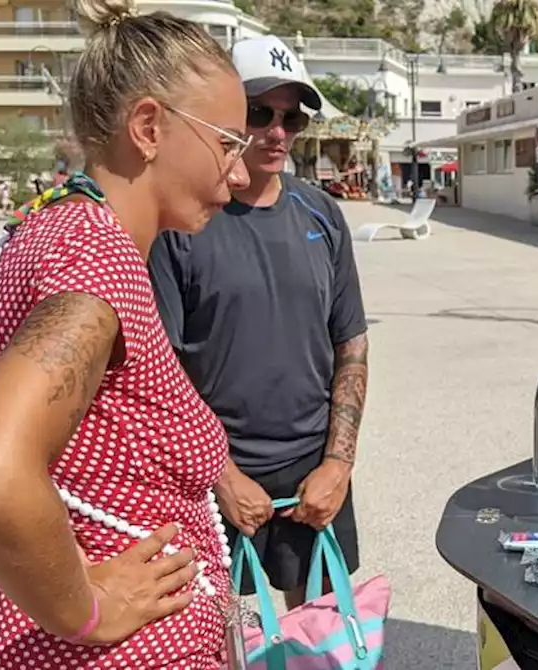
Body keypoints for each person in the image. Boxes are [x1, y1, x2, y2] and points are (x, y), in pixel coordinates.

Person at [0, 0, 251, 666]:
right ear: (148, 126)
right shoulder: (97, 256)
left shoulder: (33, 236)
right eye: (228, 143)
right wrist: (87, 611)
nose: (237, 176)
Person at [149, 34, 369, 610]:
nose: (277, 132)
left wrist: (338, 465)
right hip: (211, 479)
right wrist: (219, 475)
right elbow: (158, 368)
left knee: (321, 639)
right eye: (259, 113)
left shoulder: (321, 213)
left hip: (312, 475)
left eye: (291, 117)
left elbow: (350, 342)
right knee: (220, 643)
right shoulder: (185, 220)